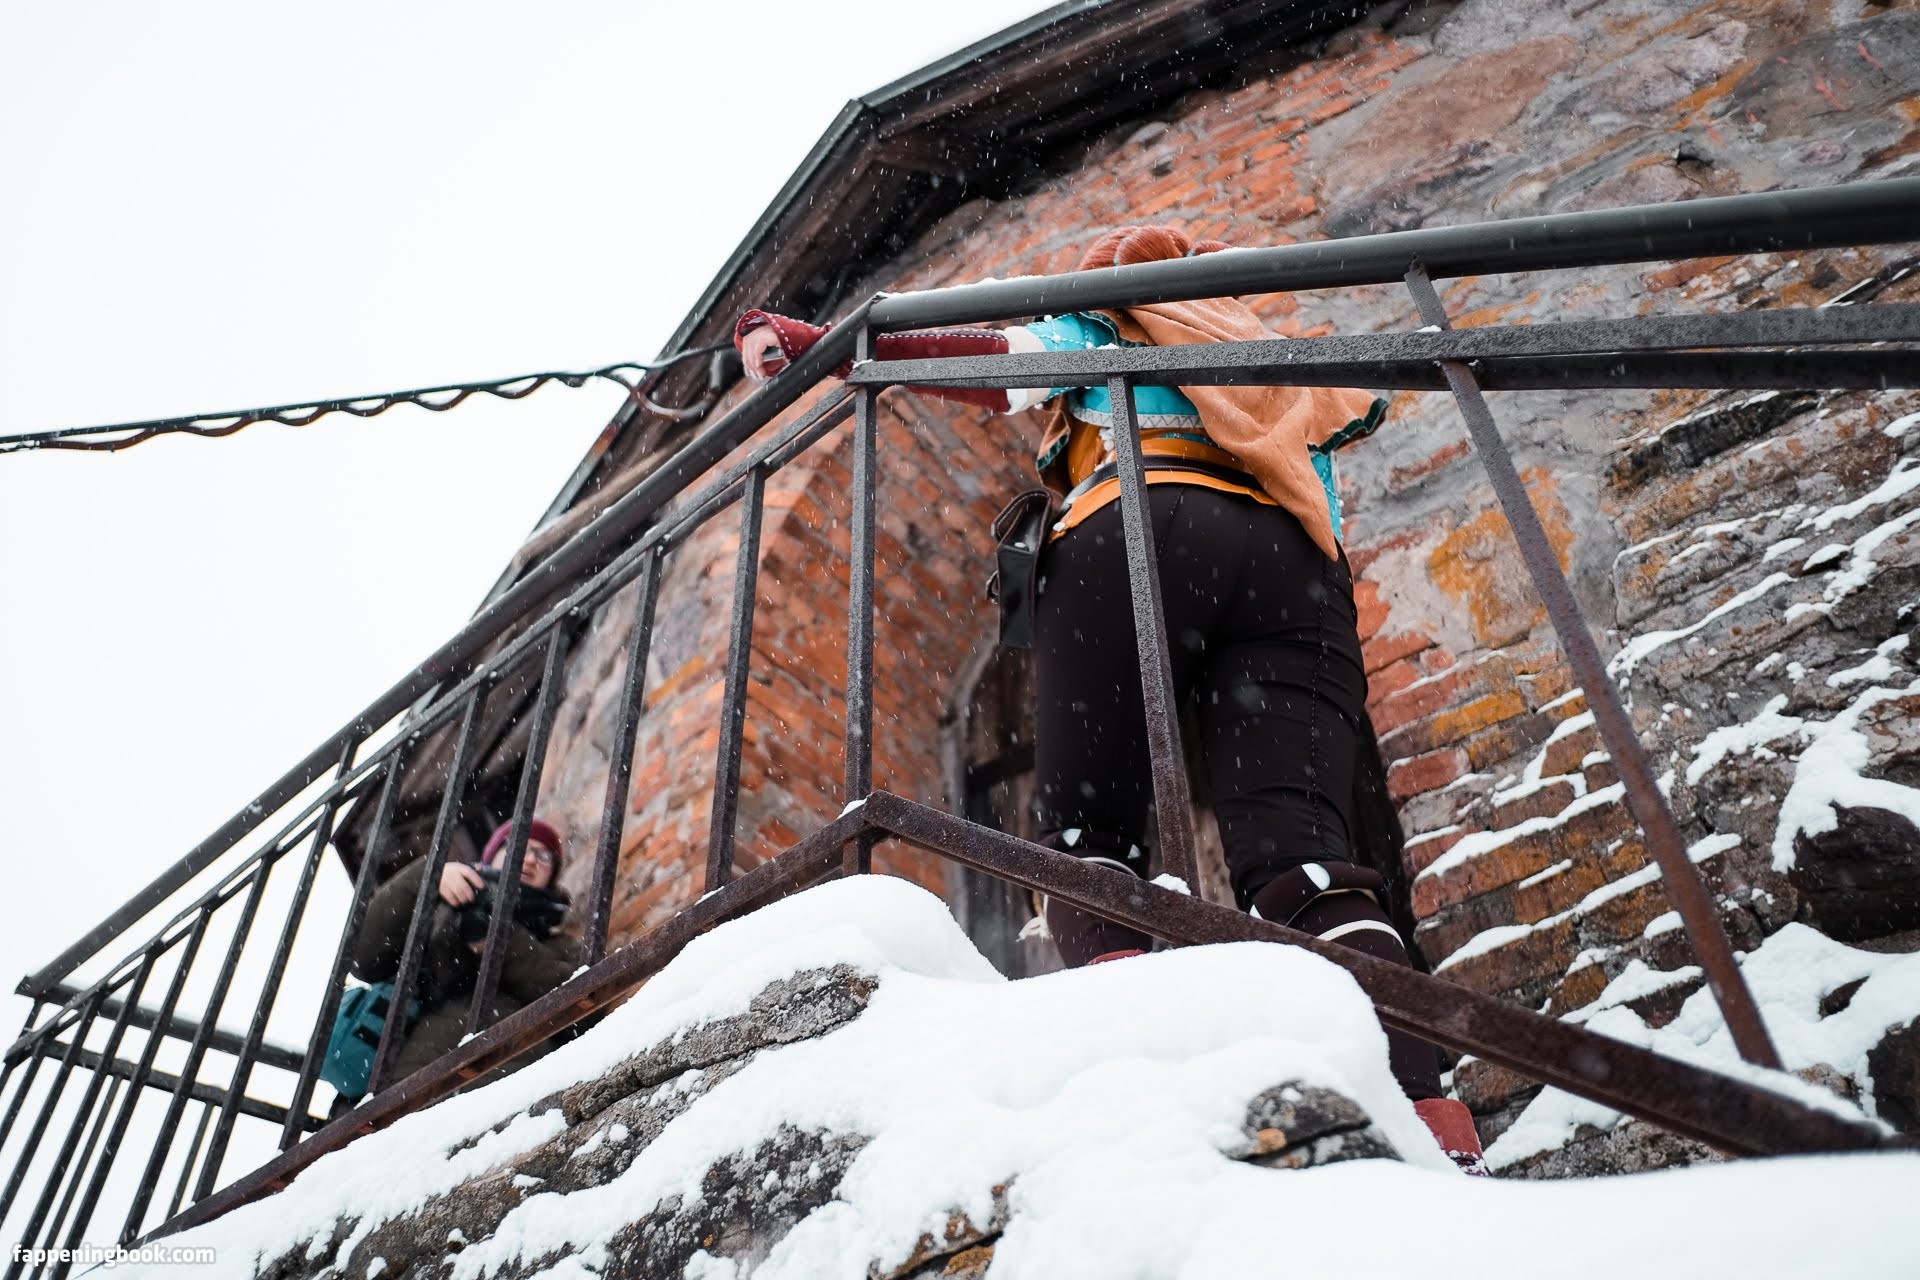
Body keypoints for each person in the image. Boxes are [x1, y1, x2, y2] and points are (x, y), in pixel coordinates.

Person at [735, 224, 1487, 1173]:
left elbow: (1000, 362)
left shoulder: (1112, 321)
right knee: (1306, 857)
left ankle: (1145, 1081)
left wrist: (833, 346)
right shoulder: (1257, 349)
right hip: (1294, 569)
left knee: (1087, 837)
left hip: (1138, 527)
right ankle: (1433, 1119)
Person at [347, 818, 581, 1087]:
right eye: (518, 846)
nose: (529, 860)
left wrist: (497, 938)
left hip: (509, 1088)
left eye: (544, 857)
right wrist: (425, 878)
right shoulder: (438, 908)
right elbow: (361, 958)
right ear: (492, 855)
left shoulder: (561, 946)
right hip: (407, 1087)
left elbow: (579, 1012)